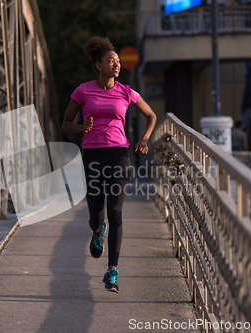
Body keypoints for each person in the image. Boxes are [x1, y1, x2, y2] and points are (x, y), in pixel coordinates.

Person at [62, 36, 157, 293]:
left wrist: (145, 137)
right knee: (96, 213)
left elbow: (151, 115)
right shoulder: (82, 91)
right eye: (110, 61)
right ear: (98, 65)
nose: (116, 64)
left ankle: (112, 271)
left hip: (119, 155)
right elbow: (66, 123)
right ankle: (97, 230)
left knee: (116, 213)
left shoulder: (126, 91)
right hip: (93, 156)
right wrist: (82, 127)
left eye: (117, 61)